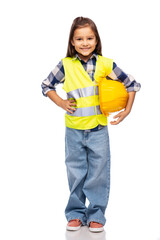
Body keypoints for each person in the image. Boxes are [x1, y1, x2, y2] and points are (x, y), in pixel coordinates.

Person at [41, 17, 141, 232]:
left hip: (98, 129)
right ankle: (75, 214)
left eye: (89, 38)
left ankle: (96, 214)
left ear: (96, 41)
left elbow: (131, 84)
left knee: (98, 173)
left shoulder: (105, 64)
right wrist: (60, 102)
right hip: (74, 130)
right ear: (72, 42)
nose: (84, 43)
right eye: (79, 38)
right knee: (76, 172)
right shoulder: (66, 65)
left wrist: (127, 109)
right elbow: (47, 85)